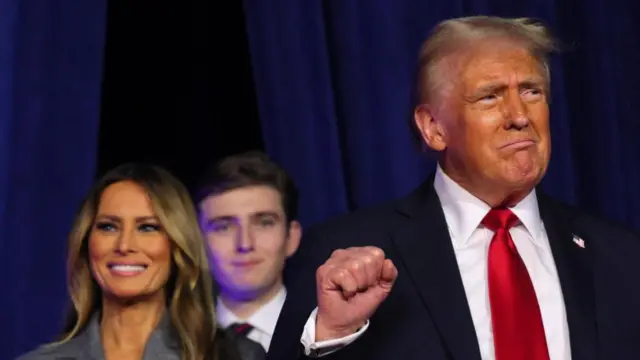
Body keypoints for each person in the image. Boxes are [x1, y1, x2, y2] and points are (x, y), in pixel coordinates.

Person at [266, 16, 640, 360]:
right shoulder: (348, 255)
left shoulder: (619, 256)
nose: (520, 116)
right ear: (433, 128)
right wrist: (335, 332)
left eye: (531, 92)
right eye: (490, 96)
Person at [16, 164, 263, 360]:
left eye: (147, 227)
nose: (124, 246)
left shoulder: (236, 356)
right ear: (86, 242)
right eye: (108, 227)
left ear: (177, 244)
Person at [195, 151, 302, 354]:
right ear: (198, 242)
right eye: (223, 227)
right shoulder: (171, 345)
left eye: (264, 223)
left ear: (292, 238)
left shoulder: (328, 337)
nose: (245, 243)